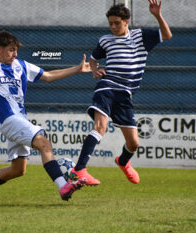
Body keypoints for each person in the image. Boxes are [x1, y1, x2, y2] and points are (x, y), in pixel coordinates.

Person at [0, 31, 90, 203]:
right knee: (44, 143)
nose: (15, 54)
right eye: (11, 50)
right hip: (9, 119)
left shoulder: (21, 65)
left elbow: (49, 76)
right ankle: (63, 187)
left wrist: (77, 69)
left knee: (18, 170)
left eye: (16, 50)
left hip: (20, 120)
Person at [70, 0, 172, 185]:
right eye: (110, 23)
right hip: (107, 87)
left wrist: (157, 15)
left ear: (126, 21)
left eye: (117, 22)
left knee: (133, 144)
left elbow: (167, 35)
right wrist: (94, 70)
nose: (113, 27)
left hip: (125, 94)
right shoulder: (105, 40)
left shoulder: (140, 36)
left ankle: (123, 161)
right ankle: (79, 170)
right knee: (100, 127)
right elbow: (93, 59)